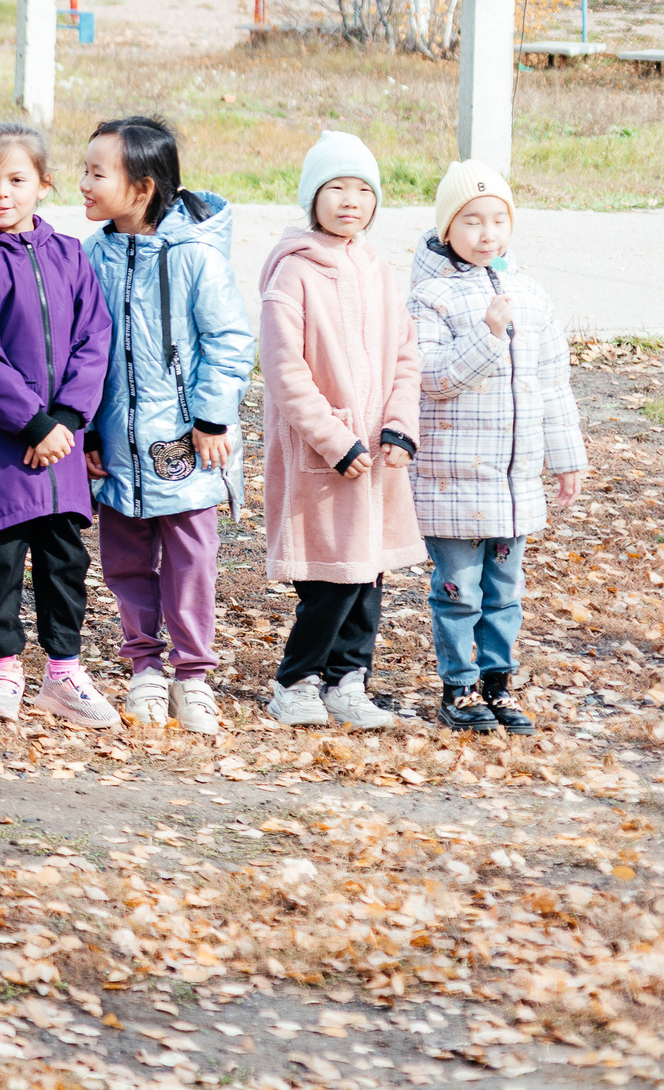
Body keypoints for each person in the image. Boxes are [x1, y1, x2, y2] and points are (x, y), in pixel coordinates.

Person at [80, 116, 253, 734]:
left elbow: (230, 341)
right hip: (117, 443)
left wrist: (211, 416)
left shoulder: (195, 256)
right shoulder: (92, 256)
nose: (84, 183)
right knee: (124, 559)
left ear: (142, 187)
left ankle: (192, 676)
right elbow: (85, 353)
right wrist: (90, 432)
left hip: (187, 439)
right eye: (85, 169)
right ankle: (144, 670)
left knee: (189, 558)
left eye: (98, 172)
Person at [409, 160, 584, 734]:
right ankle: (457, 687)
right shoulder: (430, 296)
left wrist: (566, 458)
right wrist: (487, 338)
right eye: (471, 220)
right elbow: (430, 378)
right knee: (459, 590)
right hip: (452, 478)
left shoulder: (529, 294)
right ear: (447, 227)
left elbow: (552, 382)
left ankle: (498, 684)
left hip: (513, 484)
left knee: (506, 591)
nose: (487, 233)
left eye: (498, 220)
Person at [258, 131, 424, 730]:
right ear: (312, 198)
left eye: (362, 190)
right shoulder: (293, 274)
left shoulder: (378, 271)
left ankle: (348, 682)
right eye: (335, 188)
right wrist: (334, 440)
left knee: (368, 573)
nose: (350, 201)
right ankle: (295, 683)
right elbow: (285, 372)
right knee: (331, 579)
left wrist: (399, 426)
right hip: (323, 457)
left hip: (377, 456)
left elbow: (407, 355)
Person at [0, 122, 114, 726]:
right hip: (0, 442)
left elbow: (94, 339)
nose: (2, 193)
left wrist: (68, 419)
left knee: (64, 558)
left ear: (44, 185)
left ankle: (64, 673)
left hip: (64, 442)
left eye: (17, 180)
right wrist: (33, 424)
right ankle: (1, 670)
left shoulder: (70, 254)